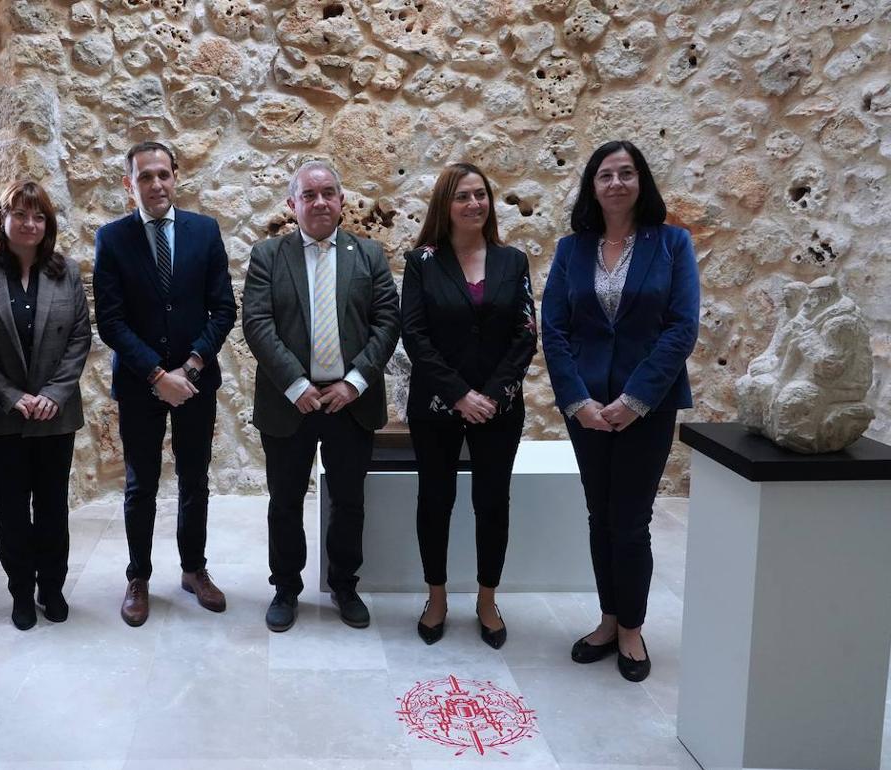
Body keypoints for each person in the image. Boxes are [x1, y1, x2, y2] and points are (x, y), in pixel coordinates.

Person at [541, 140, 699, 682]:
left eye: (626, 174)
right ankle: (607, 619)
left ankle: (631, 628)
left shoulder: (673, 244)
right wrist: (576, 400)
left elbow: (681, 329)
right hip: (586, 409)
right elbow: (554, 330)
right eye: (605, 175)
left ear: (641, 182)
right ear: (592, 186)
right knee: (598, 517)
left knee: (630, 522)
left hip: (645, 409)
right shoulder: (572, 249)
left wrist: (634, 401)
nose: (615, 183)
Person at [242, 160, 401, 632]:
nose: (319, 202)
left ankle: (344, 584)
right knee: (285, 500)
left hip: (350, 403)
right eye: (308, 195)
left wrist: (354, 382)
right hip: (289, 401)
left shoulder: (368, 255)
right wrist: (297, 384)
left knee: (349, 501)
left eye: (328, 192)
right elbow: (257, 322)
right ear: (292, 205)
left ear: (341, 200)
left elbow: (387, 321)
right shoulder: (269, 255)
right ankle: (286, 588)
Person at [92, 141, 237, 627]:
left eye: (163, 174)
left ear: (176, 176)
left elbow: (224, 309)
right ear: (128, 183)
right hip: (140, 383)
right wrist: (157, 374)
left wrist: (190, 368)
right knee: (141, 484)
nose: (156, 184)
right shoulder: (112, 238)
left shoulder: (204, 230)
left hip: (195, 381)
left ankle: (194, 570)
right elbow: (110, 322)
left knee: (195, 478)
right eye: (144, 177)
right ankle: (138, 577)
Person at [400, 163, 537, 647]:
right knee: (435, 501)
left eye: (480, 195)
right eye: (462, 196)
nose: (474, 204)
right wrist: (460, 394)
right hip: (438, 404)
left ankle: (486, 600)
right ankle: (436, 598)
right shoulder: (421, 262)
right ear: (446, 205)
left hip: (499, 408)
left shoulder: (512, 260)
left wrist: (492, 395)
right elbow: (414, 335)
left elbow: (525, 335)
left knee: (491, 503)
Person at [0, 181, 92, 631]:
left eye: (38, 217)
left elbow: (79, 338)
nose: (29, 224)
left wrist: (52, 395)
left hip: (55, 416)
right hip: (2, 417)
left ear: (47, 224)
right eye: (20, 215)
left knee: (54, 508)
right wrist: (13, 398)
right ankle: (20, 591)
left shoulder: (66, 272)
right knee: (12, 511)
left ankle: (51, 587)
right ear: (3, 219)